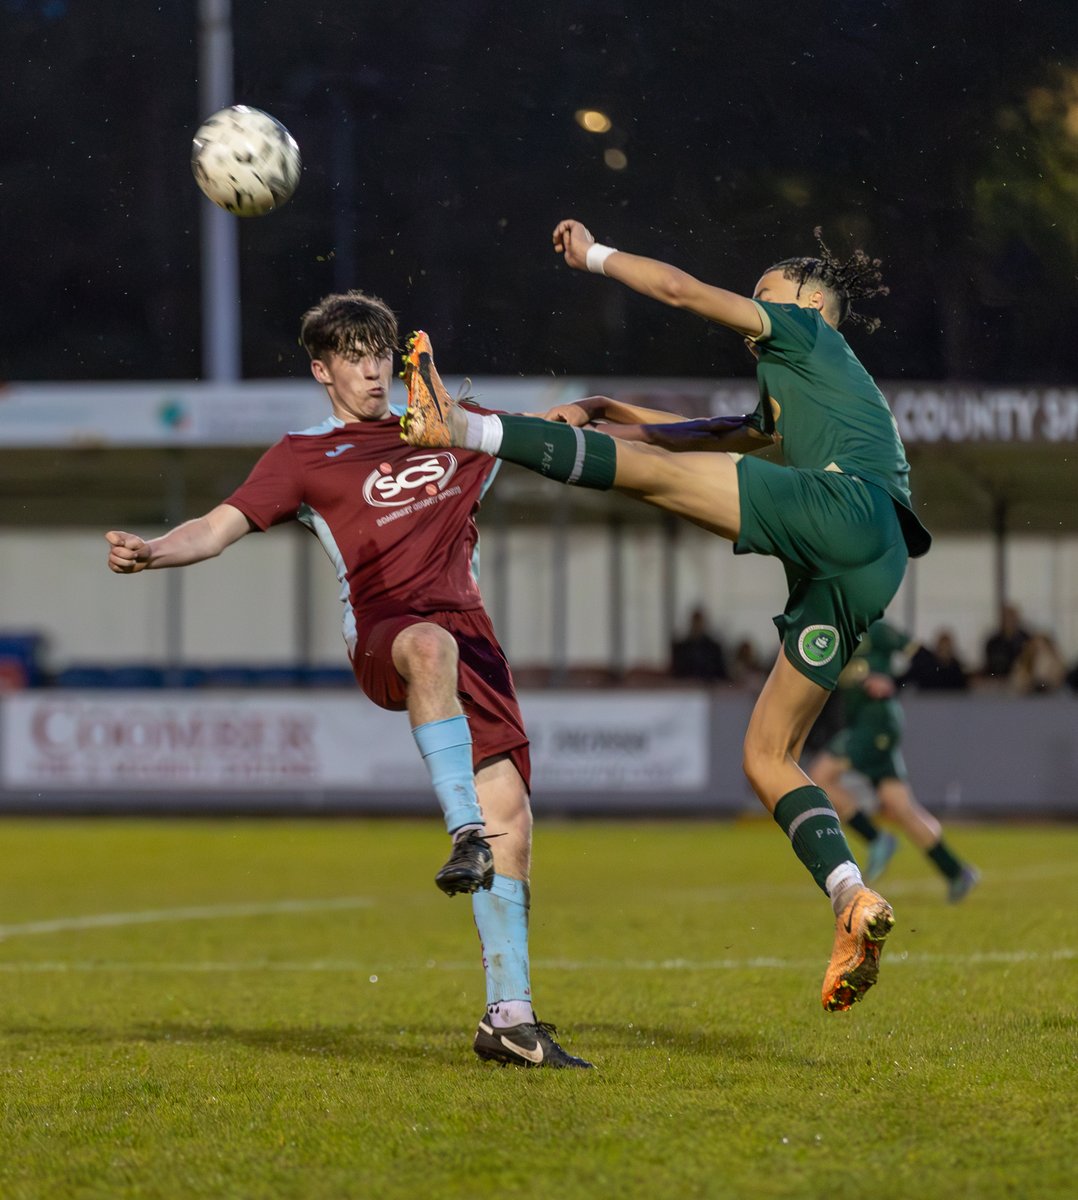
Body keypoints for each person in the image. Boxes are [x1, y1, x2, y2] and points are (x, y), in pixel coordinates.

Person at [402, 218, 934, 1013]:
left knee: (647, 480)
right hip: (870, 561)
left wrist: (595, 257)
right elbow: (709, 435)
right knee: (766, 756)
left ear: (811, 304)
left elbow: (683, 292)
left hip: (848, 508)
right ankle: (851, 896)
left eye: (767, 292)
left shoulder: (809, 335)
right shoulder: (796, 391)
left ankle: (464, 428)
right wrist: (604, 409)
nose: (754, 303)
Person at [104, 290, 590, 1069]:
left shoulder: (447, 427)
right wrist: (154, 550)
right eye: (355, 358)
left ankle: (510, 1017)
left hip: (476, 644)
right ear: (322, 370)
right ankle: (462, 834)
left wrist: (671, 429)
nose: (373, 372)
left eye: (380, 356)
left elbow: (567, 423)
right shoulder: (302, 455)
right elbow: (217, 527)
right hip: (389, 631)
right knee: (432, 655)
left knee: (518, 822)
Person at [806, 619, 979, 902]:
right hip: (862, 724)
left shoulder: (877, 630)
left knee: (820, 777)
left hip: (876, 723)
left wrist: (894, 683)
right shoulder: (835, 639)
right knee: (901, 806)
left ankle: (876, 838)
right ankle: (956, 872)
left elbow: (925, 658)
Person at [671, 605, 729, 681]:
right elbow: (677, 673)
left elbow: (721, 674)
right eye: (695, 622)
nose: (697, 625)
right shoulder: (681, 648)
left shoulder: (714, 648)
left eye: (699, 622)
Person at [902, 629, 970, 691]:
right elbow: (906, 679)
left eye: (947, 647)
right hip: (926, 701)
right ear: (937, 647)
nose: (944, 650)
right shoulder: (924, 666)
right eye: (942, 647)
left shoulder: (956, 669)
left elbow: (963, 689)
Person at [982, 603, 1030, 682]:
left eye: (1012, 617)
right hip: (998, 681)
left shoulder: (1027, 639)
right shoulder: (993, 642)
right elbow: (989, 665)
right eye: (1006, 617)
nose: (1009, 620)